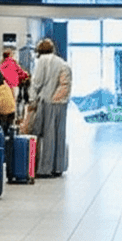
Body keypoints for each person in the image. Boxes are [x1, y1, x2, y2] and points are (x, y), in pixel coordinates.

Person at [29, 38, 71, 177]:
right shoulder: (61, 62)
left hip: (47, 100)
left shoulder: (43, 60)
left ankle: (45, 168)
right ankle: (58, 167)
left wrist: (32, 99)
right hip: (62, 102)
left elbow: (37, 82)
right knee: (60, 134)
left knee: (47, 135)